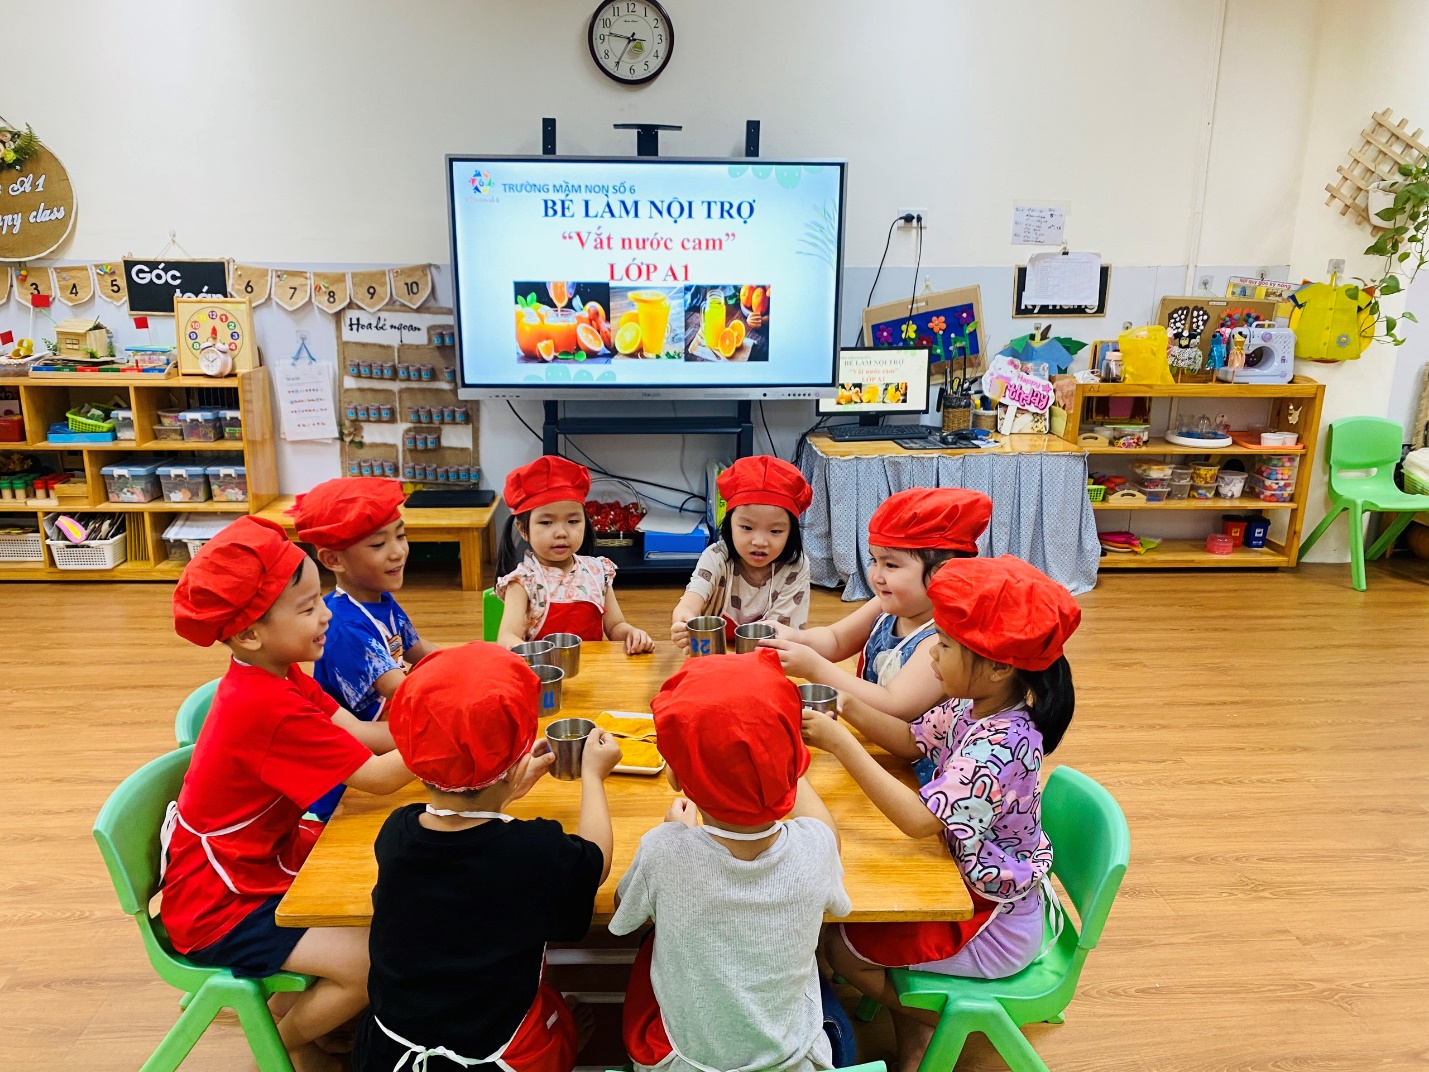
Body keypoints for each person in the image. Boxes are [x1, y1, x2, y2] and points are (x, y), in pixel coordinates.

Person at [802, 555, 1080, 1072]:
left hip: (994, 919)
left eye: (945, 646)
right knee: (840, 921)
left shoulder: (1000, 746)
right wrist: (845, 705)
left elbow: (918, 820)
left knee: (840, 948)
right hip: (971, 879)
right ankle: (917, 1019)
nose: (931, 654)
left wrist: (842, 743)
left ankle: (934, 1021)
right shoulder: (973, 703)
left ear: (999, 666)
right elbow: (911, 741)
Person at [162, 516, 414, 1072]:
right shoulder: (266, 705)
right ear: (250, 633)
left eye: (319, 599)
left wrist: (435, 711)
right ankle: (275, 1046)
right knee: (374, 961)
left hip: (255, 862)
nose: (327, 615)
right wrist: (459, 738)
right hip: (220, 905)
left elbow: (367, 736)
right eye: (306, 609)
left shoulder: (277, 672)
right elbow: (377, 777)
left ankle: (297, 1026)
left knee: (382, 912)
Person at [352, 641, 623, 1072]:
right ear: (515, 764)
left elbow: (464, 841)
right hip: (492, 1060)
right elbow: (595, 862)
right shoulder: (535, 850)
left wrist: (502, 793)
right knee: (558, 1015)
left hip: (387, 1053)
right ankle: (561, 1042)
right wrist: (593, 776)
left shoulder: (396, 830)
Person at [609, 649, 851, 1072]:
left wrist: (676, 836)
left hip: (685, 1063)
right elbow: (826, 834)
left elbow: (622, 911)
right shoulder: (816, 847)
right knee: (826, 991)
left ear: (676, 777)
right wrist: (778, 759)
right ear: (795, 763)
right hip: (794, 1063)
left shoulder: (662, 851)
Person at [764, 487, 993, 722]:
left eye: (891, 565)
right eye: (874, 560)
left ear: (942, 572)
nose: (875, 576)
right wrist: (795, 638)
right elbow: (836, 639)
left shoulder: (941, 639)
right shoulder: (886, 607)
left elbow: (895, 705)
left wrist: (813, 668)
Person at [295, 477, 436, 820]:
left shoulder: (380, 600)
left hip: (390, 742)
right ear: (333, 559)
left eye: (401, 535)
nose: (398, 551)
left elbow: (421, 651)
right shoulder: (345, 628)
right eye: (378, 544)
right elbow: (404, 692)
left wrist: (474, 662)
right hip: (352, 781)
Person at [495, 456, 654, 653]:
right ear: (522, 529)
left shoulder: (598, 572)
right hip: (542, 668)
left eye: (573, 521)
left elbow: (615, 626)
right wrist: (528, 652)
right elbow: (506, 637)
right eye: (546, 522)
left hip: (594, 668)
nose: (561, 532)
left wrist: (632, 634)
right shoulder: (523, 582)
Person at [669, 455, 812, 652]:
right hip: (713, 654)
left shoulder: (796, 567)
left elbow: (783, 640)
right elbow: (690, 601)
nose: (759, 542)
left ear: (791, 532)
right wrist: (683, 620)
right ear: (729, 524)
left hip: (766, 655)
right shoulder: (716, 557)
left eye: (775, 531)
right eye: (747, 527)